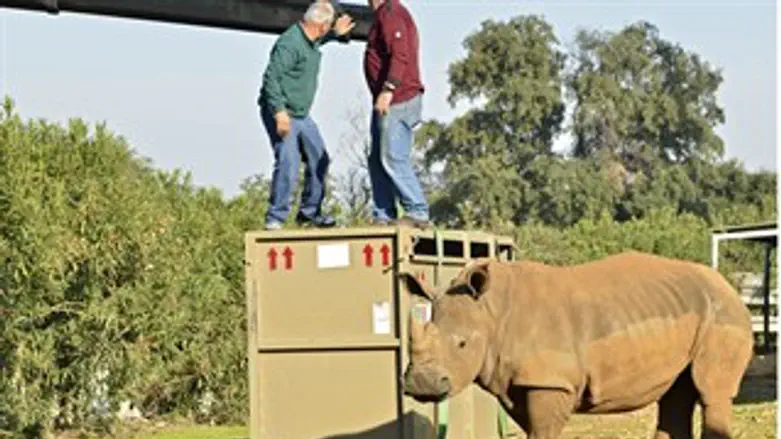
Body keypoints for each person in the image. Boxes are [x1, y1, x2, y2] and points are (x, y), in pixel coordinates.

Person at [258, 1, 355, 230]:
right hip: (282, 110)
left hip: (301, 114)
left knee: (319, 158)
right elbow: (270, 80)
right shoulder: (289, 45)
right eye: (328, 26)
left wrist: (336, 34)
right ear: (321, 25)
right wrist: (279, 113)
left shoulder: (311, 37)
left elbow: (319, 40)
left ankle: (309, 213)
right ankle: (275, 218)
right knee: (289, 161)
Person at [363, 0, 430, 229]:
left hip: (398, 98)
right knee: (377, 159)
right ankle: (384, 214)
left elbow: (400, 54)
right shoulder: (384, 14)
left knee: (392, 156)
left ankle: (417, 212)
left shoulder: (391, 13)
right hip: (386, 100)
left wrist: (388, 89)